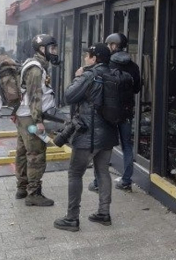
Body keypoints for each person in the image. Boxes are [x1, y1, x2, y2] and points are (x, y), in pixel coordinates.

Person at [54, 43, 119, 232]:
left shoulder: (90, 75)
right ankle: (104, 213)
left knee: (75, 174)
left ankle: (72, 218)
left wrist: (78, 77)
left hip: (88, 135)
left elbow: (69, 96)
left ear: (95, 58)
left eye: (88, 55)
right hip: (108, 134)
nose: (85, 58)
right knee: (103, 172)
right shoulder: (114, 75)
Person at [88, 33, 141, 193]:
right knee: (127, 146)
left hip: (108, 114)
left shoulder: (107, 64)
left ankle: (98, 182)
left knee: (104, 147)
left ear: (112, 45)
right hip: (126, 113)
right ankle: (126, 181)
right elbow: (137, 89)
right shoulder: (133, 66)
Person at [14, 34, 60, 206]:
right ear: (43, 49)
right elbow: (35, 97)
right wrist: (38, 121)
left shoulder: (33, 64)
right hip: (31, 120)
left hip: (24, 117)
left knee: (22, 152)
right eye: (52, 48)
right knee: (36, 153)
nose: (54, 52)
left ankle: (22, 187)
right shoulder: (35, 69)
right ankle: (33, 193)